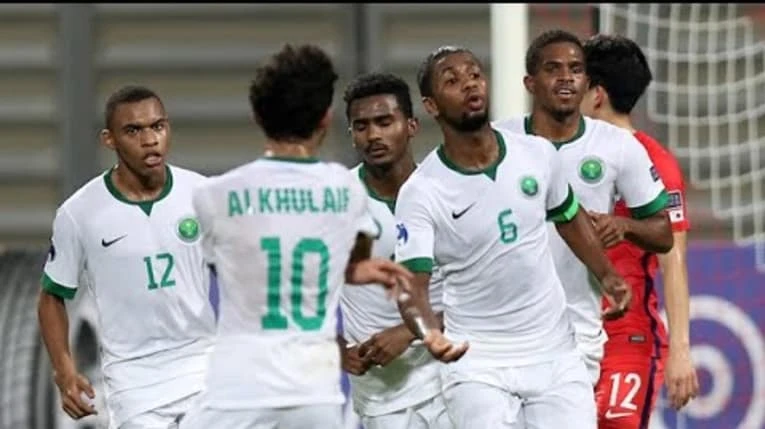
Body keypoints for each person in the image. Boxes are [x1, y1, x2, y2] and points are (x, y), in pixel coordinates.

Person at [178, 44, 418, 429]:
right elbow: (351, 260)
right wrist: (356, 270)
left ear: (257, 116)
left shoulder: (214, 195)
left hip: (238, 390)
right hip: (314, 394)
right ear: (325, 119)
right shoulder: (346, 191)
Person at [394, 45, 633, 429]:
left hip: (554, 352)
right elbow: (410, 287)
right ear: (431, 105)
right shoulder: (422, 191)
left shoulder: (536, 154)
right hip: (477, 362)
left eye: (474, 75)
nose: (469, 85)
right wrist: (429, 334)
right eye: (452, 81)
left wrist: (607, 275)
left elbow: (569, 217)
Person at [493, 29, 674, 387]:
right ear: (530, 83)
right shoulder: (499, 141)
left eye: (575, 69)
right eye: (553, 69)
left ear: (587, 82)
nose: (566, 77)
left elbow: (664, 233)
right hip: (502, 334)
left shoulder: (617, 146)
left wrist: (625, 226)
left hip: (577, 332)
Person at [38, 85, 216, 429]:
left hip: (202, 365)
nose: (150, 140)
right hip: (134, 382)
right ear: (109, 140)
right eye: (134, 131)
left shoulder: (201, 194)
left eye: (158, 126)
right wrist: (64, 371)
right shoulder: (79, 213)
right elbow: (51, 297)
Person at [580, 33, 700, 428]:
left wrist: (680, 349)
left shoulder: (655, 163)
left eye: (577, 78)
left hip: (625, 338)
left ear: (596, 94)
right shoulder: (562, 155)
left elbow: (673, 259)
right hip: (565, 336)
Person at [339, 72, 453, 429]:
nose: (373, 135)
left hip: (451, 377)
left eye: (385, 122)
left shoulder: (447, 192)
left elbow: (484, 293)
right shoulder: (336, 200)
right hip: (382, 392)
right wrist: (335, 348)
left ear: (412, 126)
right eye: (361, 126)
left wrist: (409, 331)